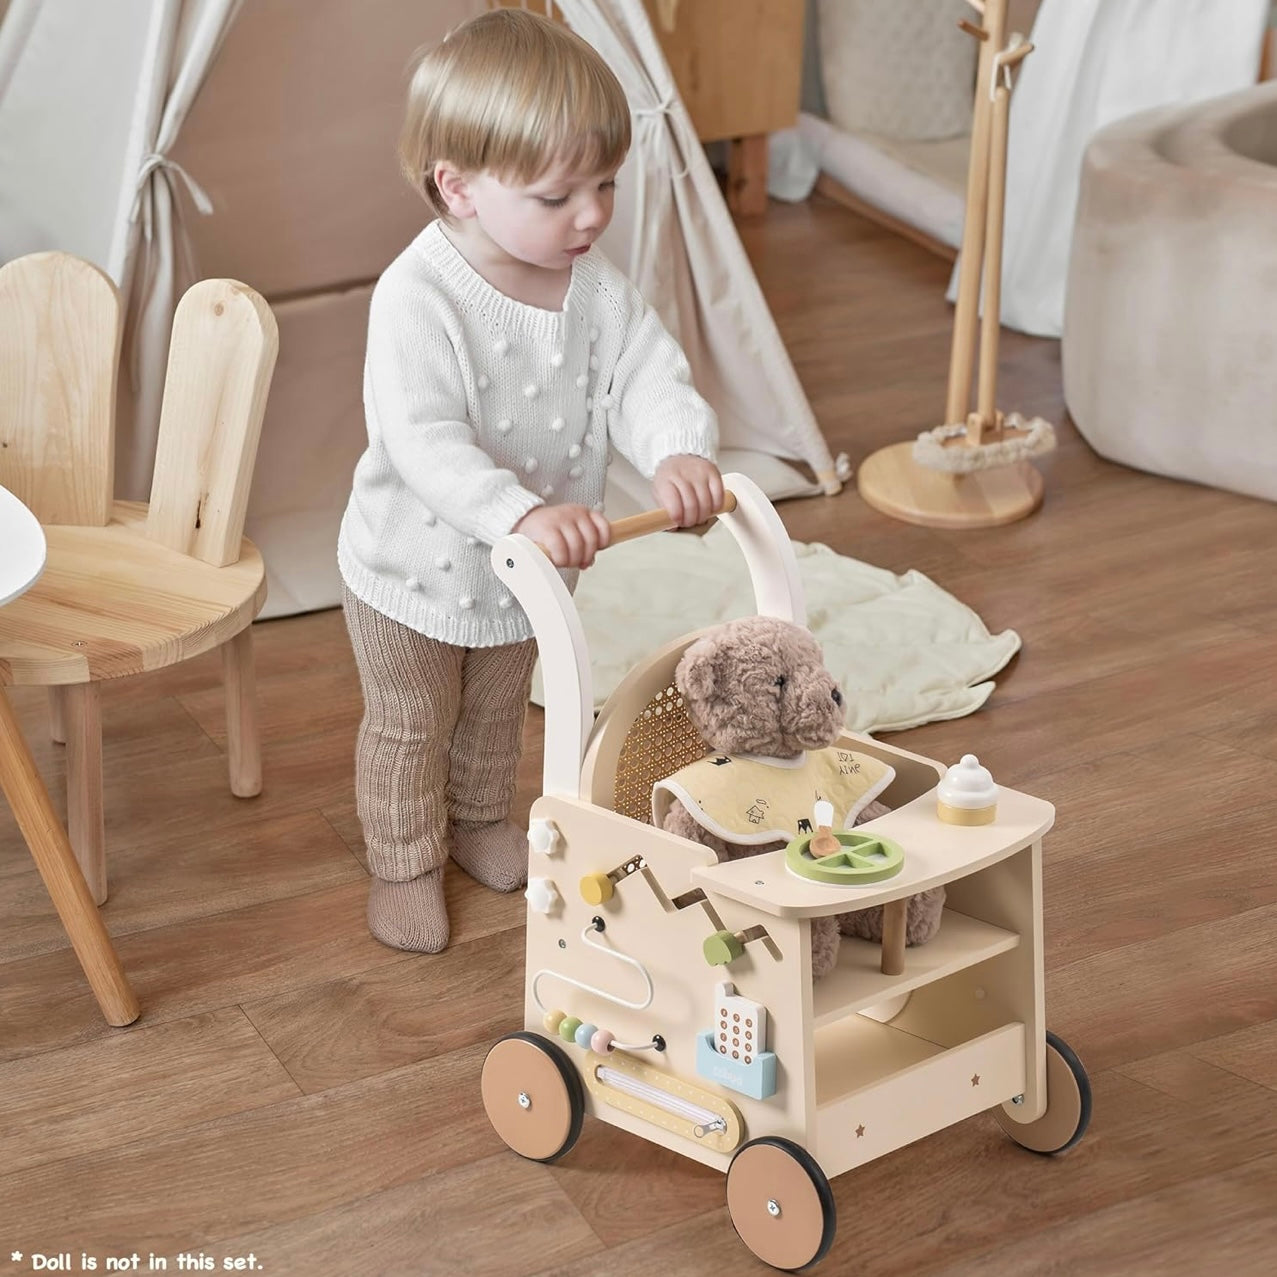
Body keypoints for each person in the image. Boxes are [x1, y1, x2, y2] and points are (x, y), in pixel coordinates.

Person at [338, 7, 722, 953]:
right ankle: (403, 860)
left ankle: (477, 820)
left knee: (496, 710)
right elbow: (423, 440)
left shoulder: (596, 289)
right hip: (409, 571)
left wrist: (676, 449)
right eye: (556, 197)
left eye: (605, 184)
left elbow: (646, 375)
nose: (590, 215)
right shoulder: (418, 296)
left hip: (531, 573)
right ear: (458, 187)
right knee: (411, 722)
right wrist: (519, 513)